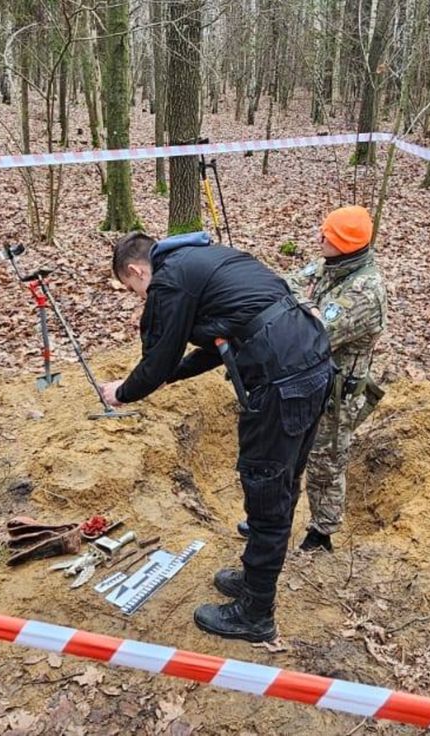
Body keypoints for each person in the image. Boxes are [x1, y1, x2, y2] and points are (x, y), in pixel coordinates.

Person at [101, 231, 334, 643]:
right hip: (311, 363)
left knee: (266, 489)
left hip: (281, 379)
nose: (139, 296)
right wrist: (168, 376)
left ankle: (255, 614)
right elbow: (213, 347)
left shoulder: (170, 280)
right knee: (281, 483)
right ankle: (254, 579)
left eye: (133, 288)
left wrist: (122, 392)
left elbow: (157, 358)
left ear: (137, 270)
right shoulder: (202, 261)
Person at [237, 206, 388, 553]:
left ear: (348, 245)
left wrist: (298, 306)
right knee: (287, 455)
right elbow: (283, 284)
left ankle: (322, 532)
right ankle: (273, 521)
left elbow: (312, 331)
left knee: (326, 462)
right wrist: (304, 304)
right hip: (304, 381)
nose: (319, 239)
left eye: (329, 237)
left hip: (336, 395)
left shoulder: (366, 291)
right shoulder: (327, 266)